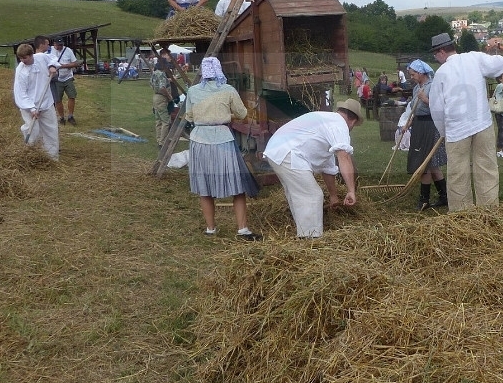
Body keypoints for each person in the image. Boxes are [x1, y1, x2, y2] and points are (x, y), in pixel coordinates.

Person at [429, 32, 503, 211]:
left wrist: (444, 132)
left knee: (458, 174)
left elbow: (437, 108)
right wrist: (492, 56)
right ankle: (488, 213)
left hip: (456, 131)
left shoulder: (441, 72)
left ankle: (461, 217)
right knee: (487, 169)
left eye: (435, 53)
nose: (435, 57)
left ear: (441, 51)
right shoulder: (475, 58)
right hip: (483, 124)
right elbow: (502, 64)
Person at [184, 57, 261, 240]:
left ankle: (211, 229)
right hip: (222, 141)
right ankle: (242, 229)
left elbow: (189, 116)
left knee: (205, 187)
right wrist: (227, 114)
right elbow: (242, 114)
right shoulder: (228, 90)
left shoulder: (193, 91)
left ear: (203, 71)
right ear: (219, 70)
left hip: (199, 141)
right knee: (237, 185)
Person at [262, 99, 362, 238]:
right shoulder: (339, 124)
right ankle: (310, 240)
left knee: (298, 194)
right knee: (312, 195)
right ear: (353, 121)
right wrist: (351, 191)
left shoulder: (327, 123)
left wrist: (333, 196)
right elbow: (344, 157)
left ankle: (304, 233)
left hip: (278, 150)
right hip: (288, 153)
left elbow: (328, 168)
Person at [400, 59, 448, 210]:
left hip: (431, 125)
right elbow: (415, 109)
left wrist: (425, 99)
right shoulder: (416, 88)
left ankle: (424, 200)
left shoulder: (433, 86)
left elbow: (439, 106)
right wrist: (409, 122)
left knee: (425, 163)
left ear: (421, 73)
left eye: (413, 74)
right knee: (432, 165)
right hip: (419, 124)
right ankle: (444, 196)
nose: (412, 77)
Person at [13, 43, 61, 160]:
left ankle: (52, 157)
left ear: (31, 55)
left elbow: (53, 58)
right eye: (20, 58)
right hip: (29, 105)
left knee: (51, 129)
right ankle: (30, 154)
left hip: (46, 101)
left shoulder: (41, 57)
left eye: (25, 58)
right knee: (33, 130)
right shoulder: (21, 71)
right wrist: (32, 108)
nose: (22, 60)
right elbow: (21, 93)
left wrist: (52, 66)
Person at [50, 38, 81, 126]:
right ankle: (61, 117)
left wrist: (62, 66)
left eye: (61, 45)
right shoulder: (49, 51)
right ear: (54, 44)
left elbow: (75, 63)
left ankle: (70, 116)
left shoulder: (68, 50)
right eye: (58, 45)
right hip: (56, 79)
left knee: (72, 96)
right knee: (58, 99)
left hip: (68, 77)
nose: (60, 46)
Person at [150, 49, 177, 147]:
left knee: (158, 121)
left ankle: (158, 140)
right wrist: (169, 96)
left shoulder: (154, 73)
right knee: (166, 121)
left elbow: (152, 85)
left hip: (155, 97)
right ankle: (163, 142)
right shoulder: (161, 74)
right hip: (161, 98)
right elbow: (162, 88)